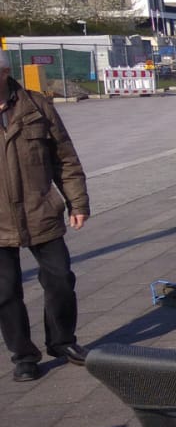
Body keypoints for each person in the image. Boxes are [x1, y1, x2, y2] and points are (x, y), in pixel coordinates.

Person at [0, 56, 90, 382]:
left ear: (5, 73)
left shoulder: (37, 106)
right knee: (5, 292)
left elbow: (65, 158)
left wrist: (77, 202)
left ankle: (62, 341)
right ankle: (24, 357)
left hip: (40, 210)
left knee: (60, 280)